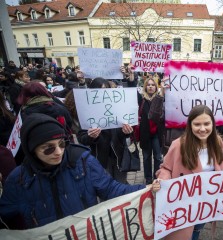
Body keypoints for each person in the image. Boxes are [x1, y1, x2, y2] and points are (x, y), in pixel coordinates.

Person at [0, 113, 150, 229]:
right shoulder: (18, 179)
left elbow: (111, 189)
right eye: (49, 148)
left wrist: (147, 189)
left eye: (62, 144)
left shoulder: (83, 162)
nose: (58, 152)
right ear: (32, 150)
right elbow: (6, 219)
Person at [156, 105, 223, 240]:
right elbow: (166, 168)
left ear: (213, 123)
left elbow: (221, 164)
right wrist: (162, 180)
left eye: (206, 123)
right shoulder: (178, 144)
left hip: (205, 201)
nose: (203, 129)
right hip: (183, 203)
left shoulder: (218, 142)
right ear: (190, 125)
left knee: (197, 229)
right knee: (181, 234)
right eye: (197, 124)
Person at [77, 78, 132, 183]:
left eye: (105, 89)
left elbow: (122, 132)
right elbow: (81, 138)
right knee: (105, 188)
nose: (102, 92)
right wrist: (90, 136)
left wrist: (126, 132)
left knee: (120, 185)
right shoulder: (86, 112)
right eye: (99, 89)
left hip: (118, 156)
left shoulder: (117, 106)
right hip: (100, 158)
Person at [138, 78, 165, 184]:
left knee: (158, 157)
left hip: (157, 133)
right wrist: (130, 77)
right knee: (146, 157)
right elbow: (130, 90)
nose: (150, 87)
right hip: (145, 134)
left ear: (156, 87)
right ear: (145, 87)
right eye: (148, 85)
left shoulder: (160, 99)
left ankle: (156, 176)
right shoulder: (142, 99)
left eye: (153, 85)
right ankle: (148, 178)